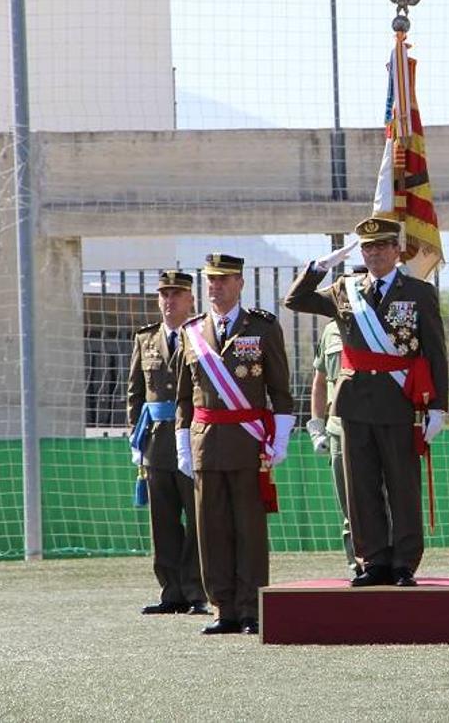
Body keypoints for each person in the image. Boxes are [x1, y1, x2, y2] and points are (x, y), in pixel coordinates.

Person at [285, 216, 449, 588]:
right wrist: (322, 266)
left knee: (402, 487)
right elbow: (294, 300)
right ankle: (373, 560)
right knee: (361, 488)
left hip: (399, 401)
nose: (374, 254)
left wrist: (438, 406)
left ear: (396, 250)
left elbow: (436, 352)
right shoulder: (346, 289)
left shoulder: (419, 292)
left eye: (381, 246)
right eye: (367, 248)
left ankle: (404, 563)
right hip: (354, 404)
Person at [175, 253, 294, 636]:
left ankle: (250, 609)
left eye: (224, 279)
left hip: (248, 444)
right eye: (210, 280)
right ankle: (222, 607)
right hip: (206, 444)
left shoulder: (262, 328)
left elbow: (280, 391)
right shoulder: (191, 331)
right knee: (211, 529)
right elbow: (183, 397)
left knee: (249, 530)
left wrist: (282, 437)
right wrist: (182, 443)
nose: (216, 286)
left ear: (240, 283)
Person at [127, 269, 208, 616]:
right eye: (164, 294)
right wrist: (135, 438)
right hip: (158, 443)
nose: (169, 300)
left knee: (198, 517)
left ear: (191, 300)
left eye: (176, 294)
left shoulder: (203, 335)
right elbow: (134, 393)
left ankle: (195, 588)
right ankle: (170, 590)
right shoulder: (145, 339)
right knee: (162, 521)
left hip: (192, 439)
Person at [305, 317, 360, 578]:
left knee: (384, 498)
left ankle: (389, 561)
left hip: (379, 423)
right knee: (348, 501)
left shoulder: (382, 322)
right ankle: (357, 565)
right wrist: (316, 425)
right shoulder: (330, 330)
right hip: (339, 427)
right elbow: (319, 380)